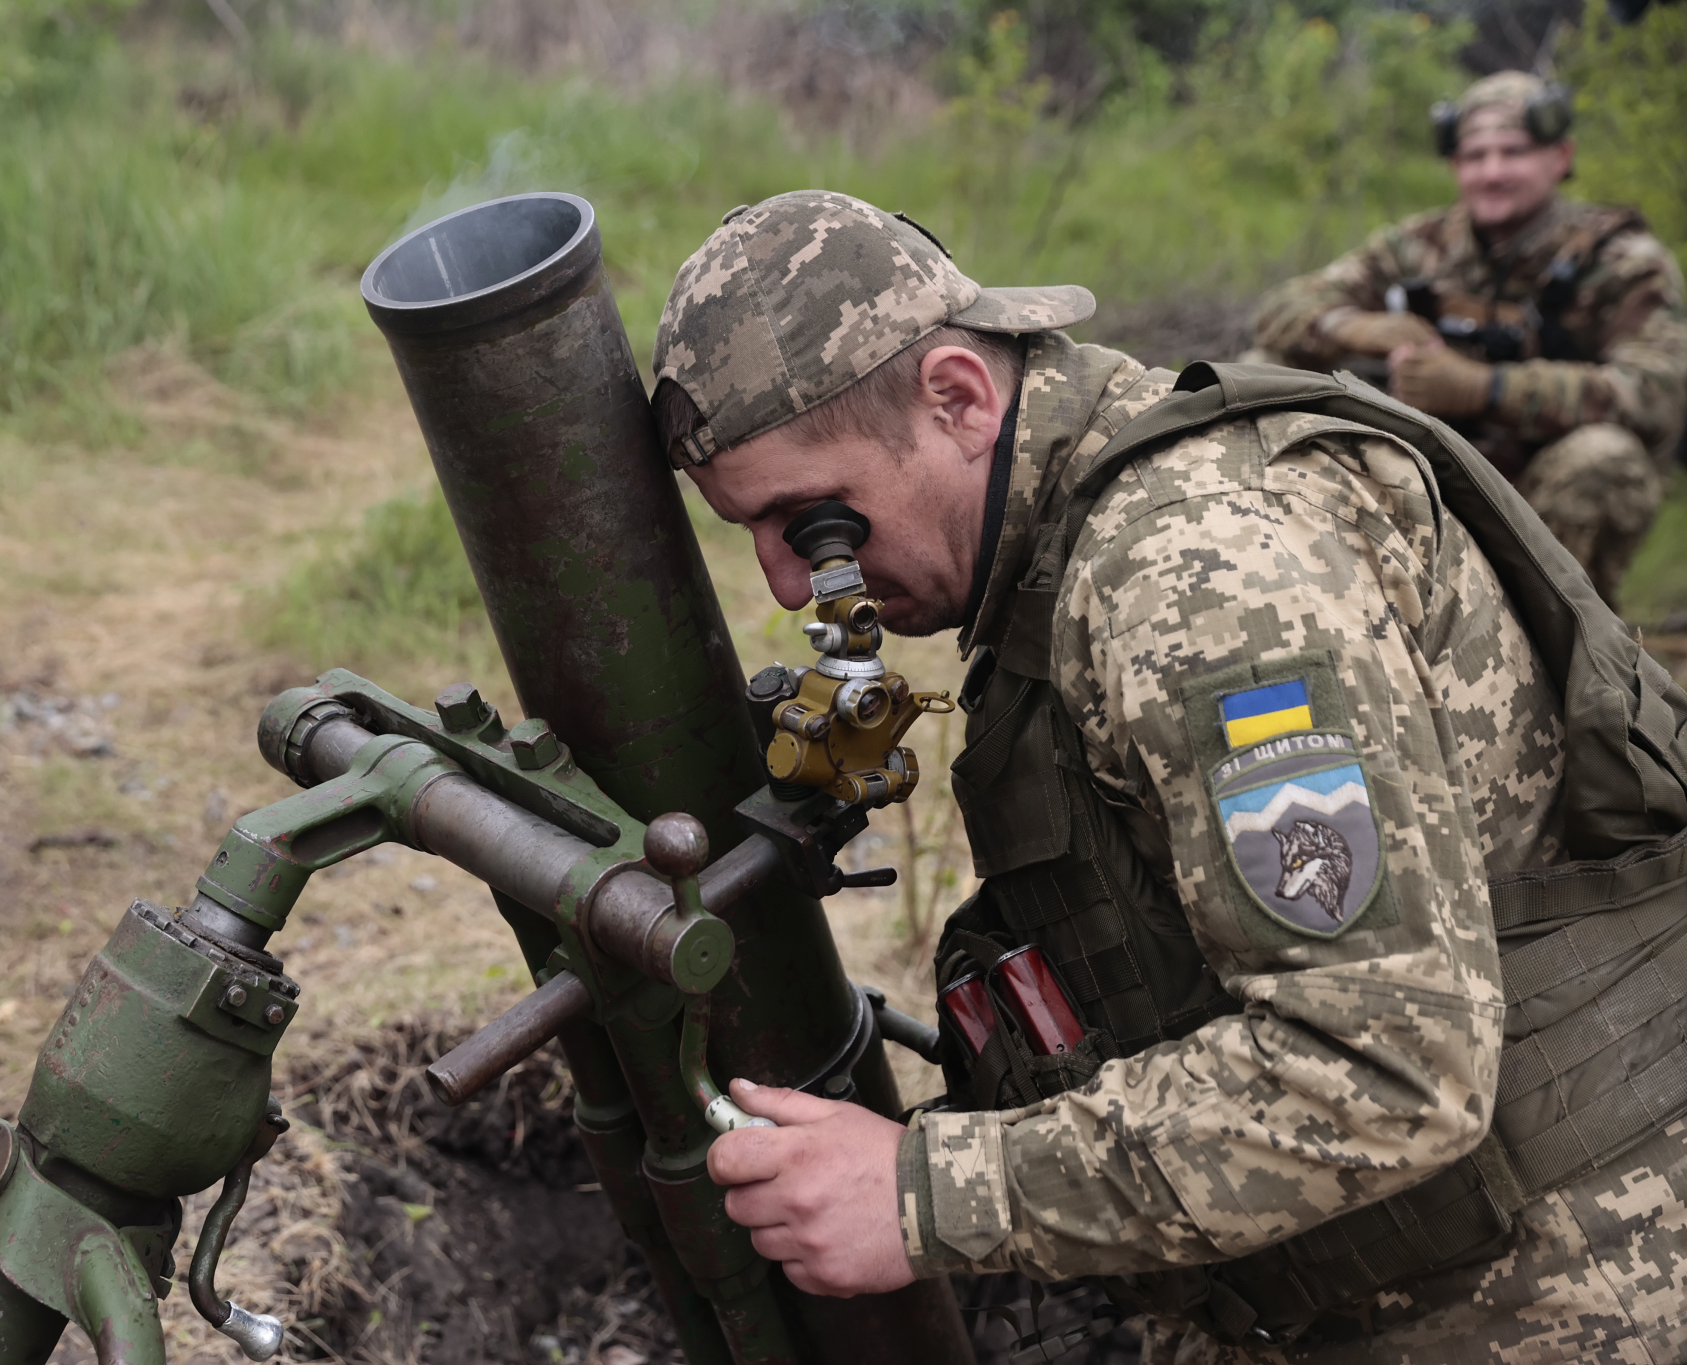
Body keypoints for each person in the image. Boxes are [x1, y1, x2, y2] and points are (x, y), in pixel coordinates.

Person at [648, 188, 1687, 1363]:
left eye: (811, 524)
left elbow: (1382, 1067)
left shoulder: (1197, 577)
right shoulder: (1079, 538)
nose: (788, 586)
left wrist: (923, 1193)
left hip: (1568, 1292)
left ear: (957, 397)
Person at [1250, 70, 1687, 609]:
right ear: (1456, 164)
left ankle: (1560, 635)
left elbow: (1656, 391)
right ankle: (1296, 598)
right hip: (1422, 474)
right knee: (1263, 368)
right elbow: (1280, 310)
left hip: (1538, 495)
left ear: (1561, 157)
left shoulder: (1622, 262)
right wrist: (1358, 328)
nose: (1493, 172)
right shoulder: (1418, 247)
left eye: (1514, 152)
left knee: (1605, 457)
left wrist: (1487, 388)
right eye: (1476, 156)